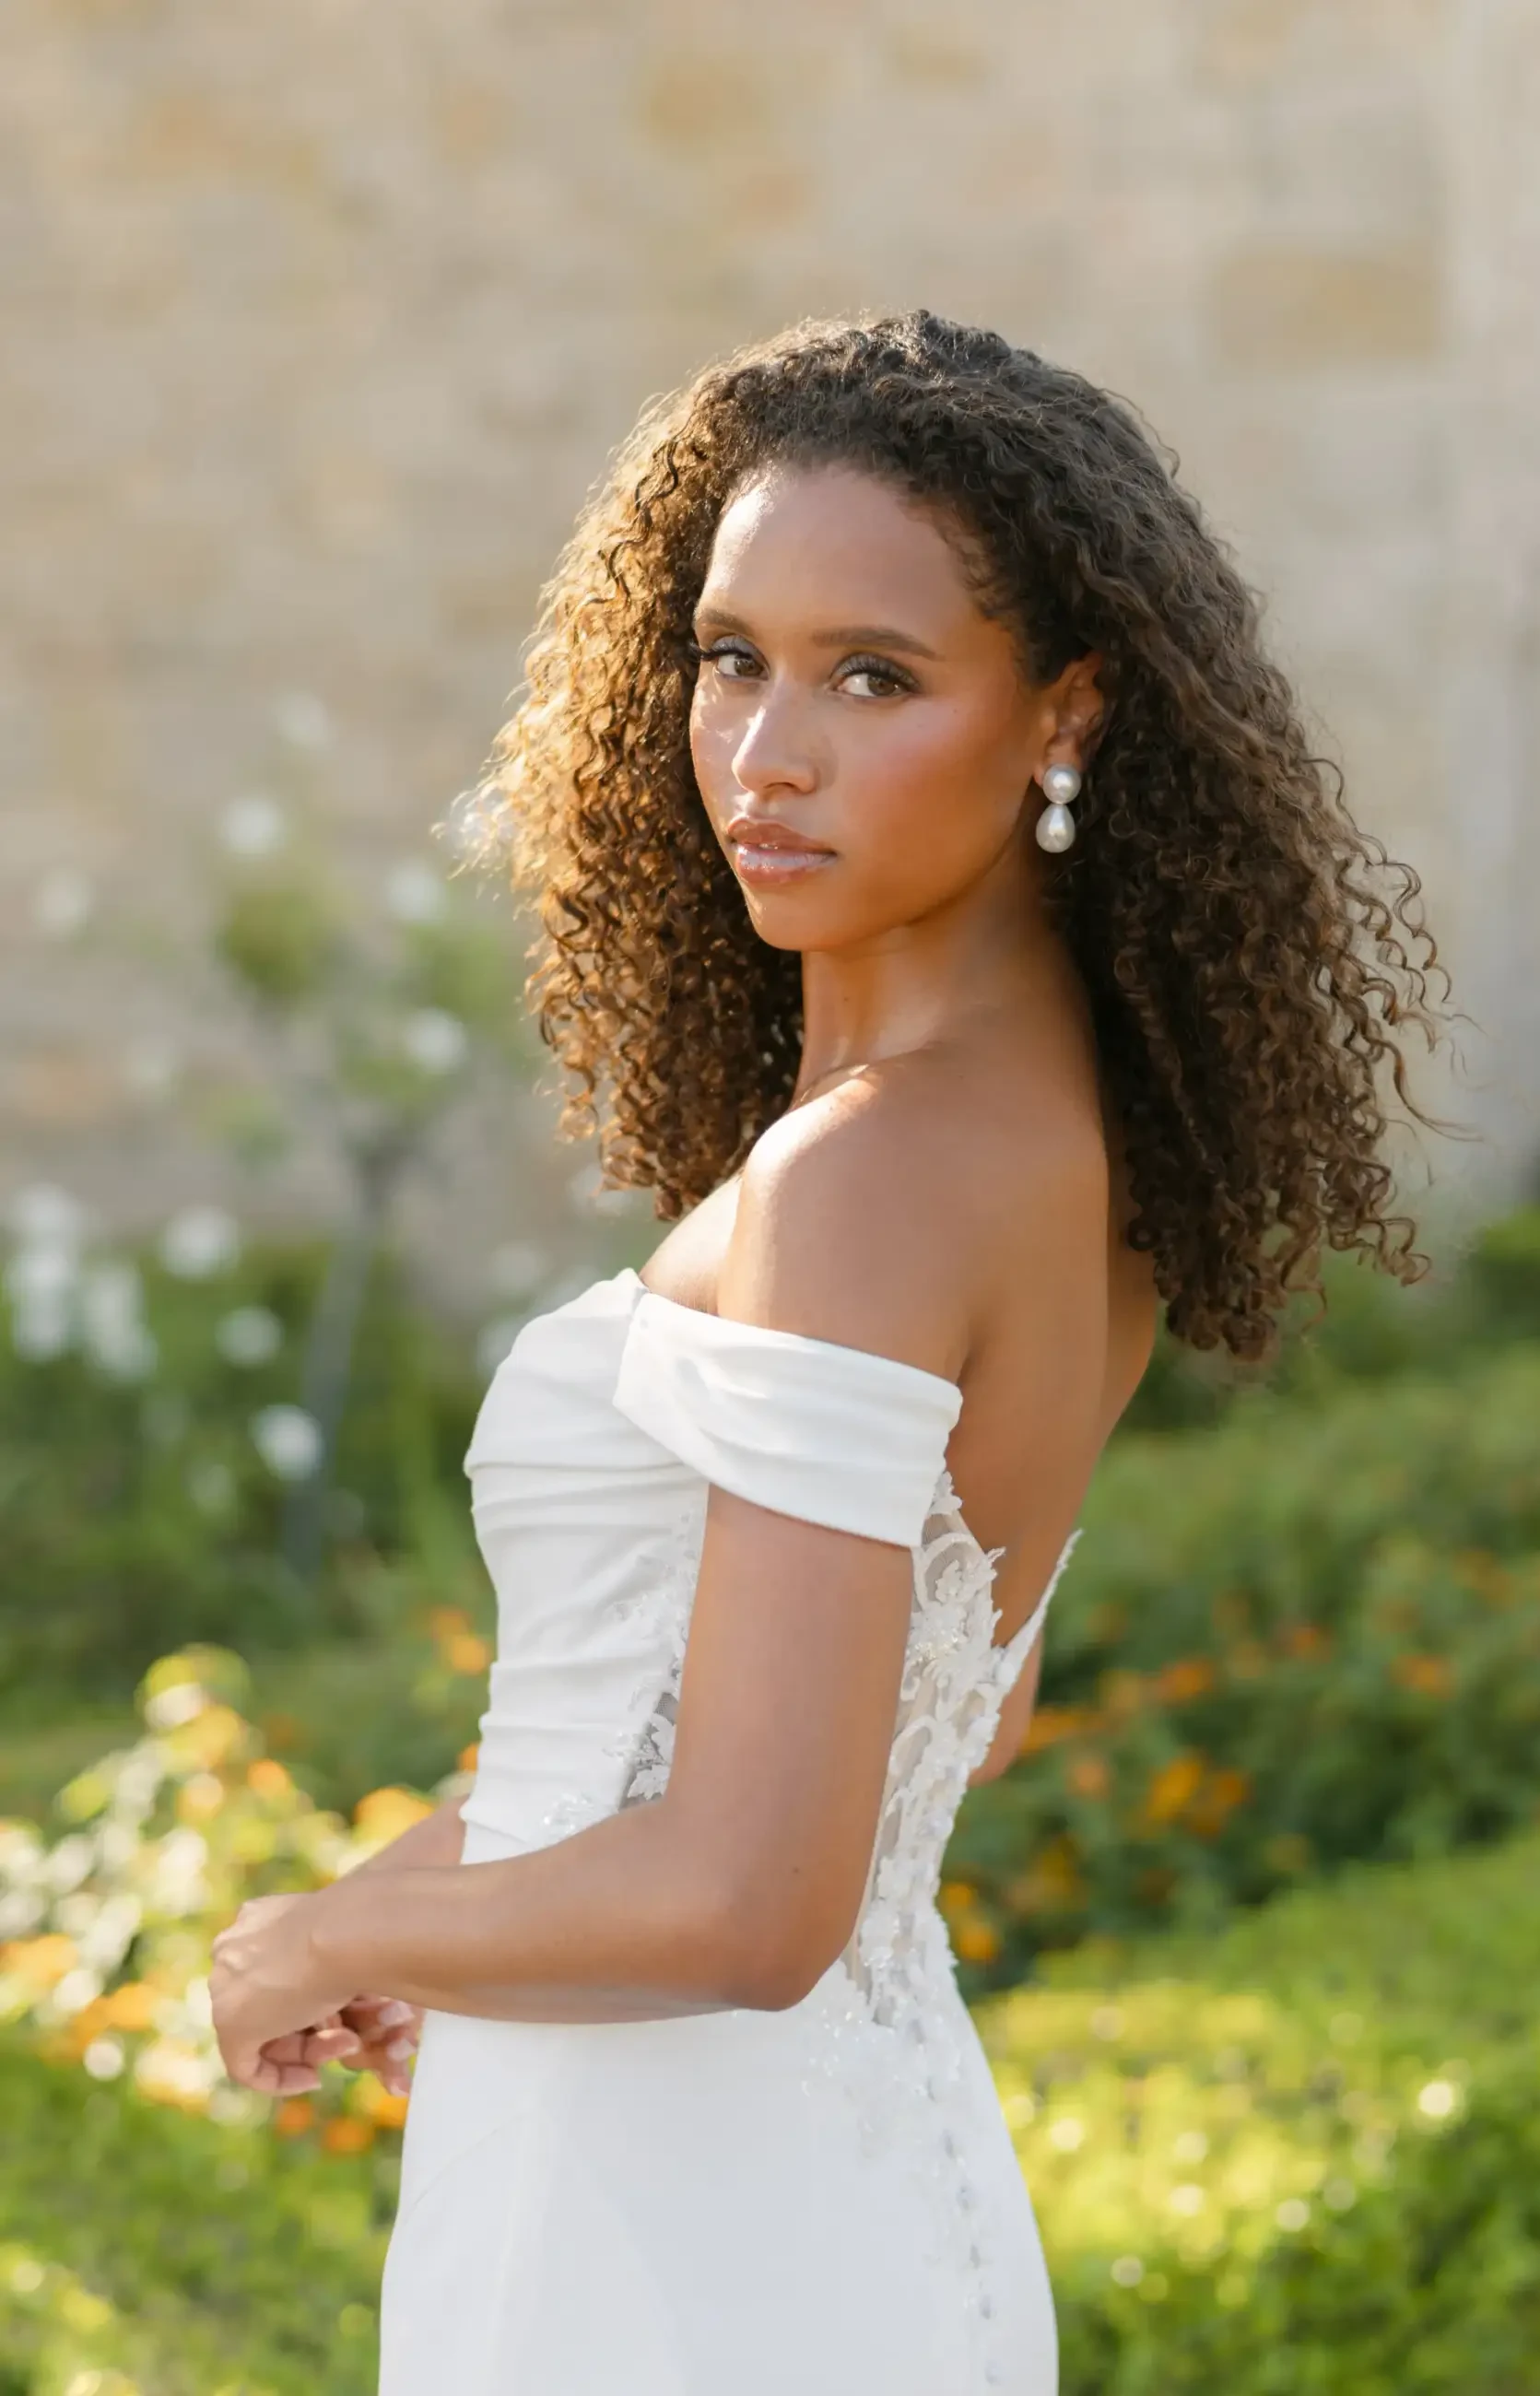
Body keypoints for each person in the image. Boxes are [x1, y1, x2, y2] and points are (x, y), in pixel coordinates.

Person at [209, 311, 1446, 2392]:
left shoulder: (871, 1182)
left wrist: (330, 1941)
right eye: (728, 656)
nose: (761, 752)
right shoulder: (1040, 1147)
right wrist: (449, 1891)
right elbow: (917, 1726)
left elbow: (757, 1888)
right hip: (741, 2184)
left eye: (871, 675)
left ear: (1065, 714)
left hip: (691, 2242)